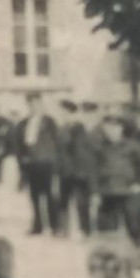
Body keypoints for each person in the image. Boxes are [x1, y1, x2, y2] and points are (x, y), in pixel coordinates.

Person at [95, 112, 140, 251]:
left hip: (128, 191)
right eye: (108, 128)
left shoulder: (133, 146)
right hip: (108, 191)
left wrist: (139, 184)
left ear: (122, 128)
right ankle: (111, 259)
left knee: (134, 226)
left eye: (115, 127)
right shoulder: (100, 147)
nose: (112, 131)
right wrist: (95, 191)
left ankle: (137, 257)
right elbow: (95, 169)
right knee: (107, 228)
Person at [14, 92, 61, 236]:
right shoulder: (23, 123)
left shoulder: (49, 122)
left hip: (46, 163)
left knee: (49, 196)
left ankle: (54, 226)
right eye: (31, 104)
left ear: (41, 104)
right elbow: (19, 145)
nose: (34, 107)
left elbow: (57, 143)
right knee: (34, 196)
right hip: (31, 164)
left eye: (37, 103)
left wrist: (56, 164)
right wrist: (22, 161)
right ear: (28, 105)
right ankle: (37, 226)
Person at [58, 99, 96, 237]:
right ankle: (64, 229)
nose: (62, 115)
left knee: (82, 202)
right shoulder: (63, 128)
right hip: (65, 171)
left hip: (78, 171)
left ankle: (85, 229)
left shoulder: (78, 129)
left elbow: (79, 151)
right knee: (63, 201)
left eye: (64, 112)